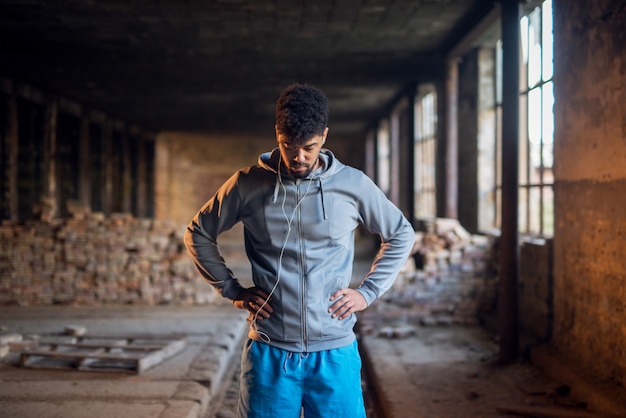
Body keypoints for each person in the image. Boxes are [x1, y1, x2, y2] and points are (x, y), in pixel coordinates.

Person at [184, 83, 414, 418]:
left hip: (335, 353)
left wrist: (368, 292)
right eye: (288, 146)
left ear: (324, 136)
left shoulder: (353, 185)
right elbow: (199, 232)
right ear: (277, 134)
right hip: (270, 352)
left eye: (309, 147)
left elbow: (401, 233)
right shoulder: (247, 184)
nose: (298, 157)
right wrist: (232, 289)